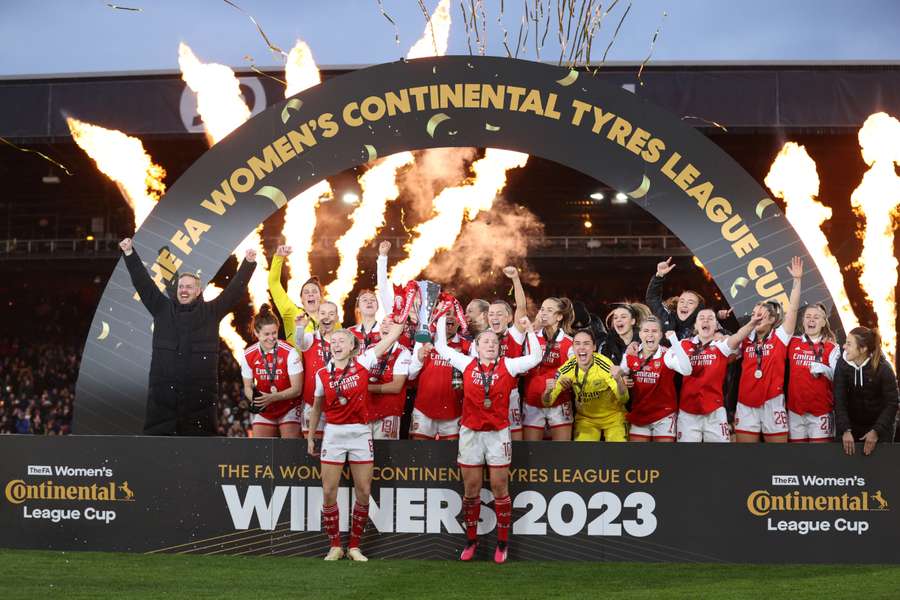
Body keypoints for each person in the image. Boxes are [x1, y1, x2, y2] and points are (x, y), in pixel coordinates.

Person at [432, 315, 542, 564]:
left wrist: (530, 332)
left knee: (499, 488)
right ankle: (471, 541)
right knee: (471, 490)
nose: (491, 345)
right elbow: (440, 346)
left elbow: (535, 358)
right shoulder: (466, 363)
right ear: (476, 346)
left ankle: (502, 543)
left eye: (494, 341)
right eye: (485, 342)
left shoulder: (509, 365)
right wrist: (440, 318)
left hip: (497, 433)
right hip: (470, 433)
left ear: (499, 346)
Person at [119, 237, 256, 435]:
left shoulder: (211, 312)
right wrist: (130, 254)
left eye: (189, 287)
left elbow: (234, 292)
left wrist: (248, 264)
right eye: (181, 286)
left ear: (198, 290)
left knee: (199, 455)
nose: (184, 290)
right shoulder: (161, 308)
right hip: (162, 402)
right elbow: (143, 283)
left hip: (200, 403)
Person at [306, 320, 405, 561]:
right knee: (329, 491)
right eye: (334, 341)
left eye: (343, 340)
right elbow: (317, 408)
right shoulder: (322, 374)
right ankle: (335, 545)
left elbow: (391, 338)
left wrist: (400, 320)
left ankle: (354, 546)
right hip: (334, 433)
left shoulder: (364, 361)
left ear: (353, 346)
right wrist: (310, 436)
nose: (337, 344)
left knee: (363, 490)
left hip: (361, 433)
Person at [734, 257, 803, 443]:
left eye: (762, 316)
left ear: (772, 320)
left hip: (773, 402)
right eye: (755, 315)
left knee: (777, 458)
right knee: (746, 459)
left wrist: (796, 281)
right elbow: (729, 344)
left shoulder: (780, 336)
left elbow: (794, 309)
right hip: (746, 403)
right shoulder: (745, 337)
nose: (757, 318)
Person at [678, 309, 761, 442]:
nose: (705, 320)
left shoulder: (721, 345)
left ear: (716, 326)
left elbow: (738, 336)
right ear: (695, 325)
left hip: (715, 411)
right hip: (688, 412)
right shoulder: (683, 344)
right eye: (702, 318)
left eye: (710, 318)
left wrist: (752, 323)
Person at [545, 329, 629, 441]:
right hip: (586, 420)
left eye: (586, 343)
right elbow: (547, 402)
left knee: (619, 453)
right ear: (573, 348)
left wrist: (619, 380)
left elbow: (624, 399)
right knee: (583, 455)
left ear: (594, 347)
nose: (582, 347)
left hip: (613, 417)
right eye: (577, 343)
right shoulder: (567, 368)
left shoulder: (604, 365)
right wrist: (547, 391)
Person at [514, 294, 576, 441]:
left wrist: (569, 381)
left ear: (559, 317)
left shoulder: (569, 342)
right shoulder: (530, 337)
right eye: (542, 309)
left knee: (561, 454)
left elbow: (574, 372)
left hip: (560, 402)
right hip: (532, 402)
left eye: (549, 310)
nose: (543, 313)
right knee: (531, 453)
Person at [622, 317, 692, 442]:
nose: (650, 334)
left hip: (664, 416)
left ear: (660, 335)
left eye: (654, 331)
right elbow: (619, 374)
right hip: (639, 415)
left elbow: (687, 370)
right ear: (640, 334)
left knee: (663, 458)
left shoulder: (667, 354)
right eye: (646, 331)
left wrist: (674, 342)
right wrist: (622, 379)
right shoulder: (631, 354)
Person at [238, 305, 303, 438]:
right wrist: (256, 400)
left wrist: (271, 398)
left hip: (289, 407)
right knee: (260, 451)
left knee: (289, 449)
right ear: (256, 333)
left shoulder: (289, 352)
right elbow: (247, 387)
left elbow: (297, 389)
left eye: (274, 333)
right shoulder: (248, 354)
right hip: (265, 409)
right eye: (266, 334)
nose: (271, 338)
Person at [834, 327, 899, 456]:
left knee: (877, 471)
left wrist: (876, 431)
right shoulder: (842, 364)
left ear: (863, 349)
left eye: (849, 344)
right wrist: (845, 430)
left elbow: (892, 404)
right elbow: (839, 399)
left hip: (879, 428)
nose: (844, 347)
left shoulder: (883, 368)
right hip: (851, 427)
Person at [408, 314, 471, 440]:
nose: (449, 317)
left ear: (460, 321)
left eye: (453, 314)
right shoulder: (423, 340)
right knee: (418, 454)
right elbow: (410, 375)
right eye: (445, 314)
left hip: (454, 410)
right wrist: (419, 358)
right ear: (437, 319)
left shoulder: (468, 346)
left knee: (450, 456)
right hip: (423, 409)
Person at [786, 303, 840, 443]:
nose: (811, 320)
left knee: (818, 458)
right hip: (795, 411)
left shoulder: (832, 347)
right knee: (797, 457)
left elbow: (839, 378)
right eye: (808, 317)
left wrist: (826, 369)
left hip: (821, 411)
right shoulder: (792, 342)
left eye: (816, 317)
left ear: (823, 322)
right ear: (803, 321)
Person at [295, 301, 339, 439]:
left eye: (331, 314)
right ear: (318, 316)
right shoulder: (311, 337)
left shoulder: (343, 340)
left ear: (337, 318)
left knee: (335, 446)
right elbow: (299, 343)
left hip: (336, 403)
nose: (327, 317)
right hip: (312, 403)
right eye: (323, 313)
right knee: (312, 447)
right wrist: (300, 328)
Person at [367, 319, 412, 440]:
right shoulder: (370, 349)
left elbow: (396, 387)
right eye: (383, 323)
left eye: (390, 324)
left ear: (398, 330)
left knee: (384, 454)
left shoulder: (403, 352)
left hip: (388, 412)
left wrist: (365, 388)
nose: (385, 326)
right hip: (366, 410)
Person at [268, 245, 321, 345]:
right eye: (306, 292)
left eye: (314, 291)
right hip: (297, 360)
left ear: (320, 297)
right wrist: (279, 257)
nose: (310, 294)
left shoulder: (330, 317)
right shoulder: (292, 312)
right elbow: (273, 283)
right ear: (301, 299)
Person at [646, 257, 706, 340]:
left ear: (698, 308)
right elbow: (652, 299)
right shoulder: (666, 318)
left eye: (690, 302)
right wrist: (659, 276)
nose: (684, 305)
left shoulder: (704, 326)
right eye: (682, 301)